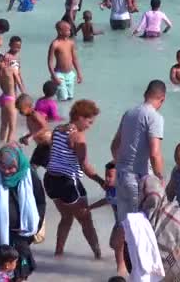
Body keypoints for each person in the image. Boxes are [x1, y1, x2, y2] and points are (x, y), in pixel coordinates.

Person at [110, 79, 166, 275]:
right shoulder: (154, 117)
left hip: (122, 175)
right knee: (142, 229)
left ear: (145, 93)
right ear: (162, 99)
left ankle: (120, 268)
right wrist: (160, 177)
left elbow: (114, 145)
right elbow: (154, 152)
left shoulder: (129, 113)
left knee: (123, 224)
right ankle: (140, 272)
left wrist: (121, 166)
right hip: (139, 180)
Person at [44, 100, 106, 258]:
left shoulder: (58, 129)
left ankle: (58, 253)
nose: (89, 126)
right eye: (89, 122)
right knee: (86, 220)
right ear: (80, 117)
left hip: (50, 180)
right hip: (67, 183)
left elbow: (55, 154)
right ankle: (98, 256)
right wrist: (102, 182)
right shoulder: (78, 137)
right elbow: (85, 166)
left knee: (66, 217)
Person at [0, 144, 46, 280]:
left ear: (19, 163)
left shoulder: (30, 175)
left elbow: (41, 203)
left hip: (21, 236)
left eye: (11, 167)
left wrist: (34, 227)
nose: (7, 171)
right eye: (3, 167)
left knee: (20, 273)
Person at [140, 174, 180, 281]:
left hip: (148, 277)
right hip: (176, 275)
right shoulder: (176, 215)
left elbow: (128, 256)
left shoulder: (136, 222)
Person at [88, 163, 125, 273]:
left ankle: (121, 271)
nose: (107, 179)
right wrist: (91, 207)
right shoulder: (109, 188)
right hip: (118, 222)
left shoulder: (122, 190)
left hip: (126, 223)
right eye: (106, 176)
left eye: (110, 176)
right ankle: (125, 260)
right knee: (113, 244)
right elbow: (106, 200)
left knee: (117, 245)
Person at [0, 54, 25, 143]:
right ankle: (6, 147)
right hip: (11, 99)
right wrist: (24, 97)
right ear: (4, 61)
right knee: (12, 127)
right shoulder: (11, 70)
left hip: (3, 99)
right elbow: (19, 84)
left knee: (3, 125)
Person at [47, 20, 83, 101]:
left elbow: (75, 59)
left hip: (70, 74)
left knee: (70, 98)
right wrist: (54, 76)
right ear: (60, 31)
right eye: (68, 30)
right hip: (59, 74)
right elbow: (50, 62)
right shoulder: (55, 44)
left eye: (70, 29)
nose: (70, 31)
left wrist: (79, 73)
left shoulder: (71, 43)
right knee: (63, 99)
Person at [15, 94, 52, 169]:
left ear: (29, 107)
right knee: (32, 167)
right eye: (18, 110)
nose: (20, 112)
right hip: (41, 146)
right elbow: (35, 130)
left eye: (21, 109)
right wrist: (26, 137)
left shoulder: (35, 115)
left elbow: (45, 127)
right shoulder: (28, 117)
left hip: (48, 146)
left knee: (50, 169)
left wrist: (31, 137)